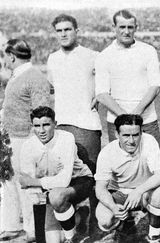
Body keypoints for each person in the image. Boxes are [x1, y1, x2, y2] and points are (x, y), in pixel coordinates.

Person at [47, 13, 102, 236]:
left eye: (67, 29)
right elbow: (52, 87)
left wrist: (98, 97)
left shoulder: (92, 56)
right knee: (66, 175)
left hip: (86, 124)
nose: (63, 34)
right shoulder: (52, 58)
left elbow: (105, 84)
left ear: (76, 31)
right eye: (59, 31)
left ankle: (97, 222)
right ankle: (75, 220)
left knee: (93, 174)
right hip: (61, 124)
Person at [0, 39, 51, 241]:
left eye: (5, 56)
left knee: (27, 184)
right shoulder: (16, 76)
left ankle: (32, 231)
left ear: (11, 56)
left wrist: (35, 141)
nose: (4, 60)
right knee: (7, 182)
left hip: (24, 139)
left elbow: (42, 113)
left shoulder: (34, 77)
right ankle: (12, 226)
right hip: (9, 137)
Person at [19, 106, 94, 243]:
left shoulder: (66, 138)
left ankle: (71, 238)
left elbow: (64, 180)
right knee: (52, 240)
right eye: (37, 126)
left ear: (55, 124)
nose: (41, 131)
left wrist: (34, 182)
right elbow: (25, 182)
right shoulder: (28, 146)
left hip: (79, 181)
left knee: (57, 197)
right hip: (50, 188)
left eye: (46, 125)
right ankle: (78, 217)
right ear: (32, 127)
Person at [95, 9, 160, 152]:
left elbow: (155, 86)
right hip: (117, 122)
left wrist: (136, 114)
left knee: (154, 164)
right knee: (122, 166)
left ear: (136, 28)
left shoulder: (148, 51)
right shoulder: (104, 55)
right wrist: (124, 117)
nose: (126, 31)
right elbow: (102, 94)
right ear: (114, 28)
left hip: (147, 120)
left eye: (130, 27)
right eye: (122, 27)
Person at [94, 114, 160, 243]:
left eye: (136, 135)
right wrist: (113, 207)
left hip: (144, 192)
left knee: (159, 192)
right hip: (120, 192)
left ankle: (154, 238)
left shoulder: (149, 141)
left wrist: (138, 191)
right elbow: (100, 188)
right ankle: (123, 226)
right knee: (105, 220)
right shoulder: (107, 152)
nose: (132, 141)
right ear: (117, 134)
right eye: (126, 136)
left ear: (141, 133)